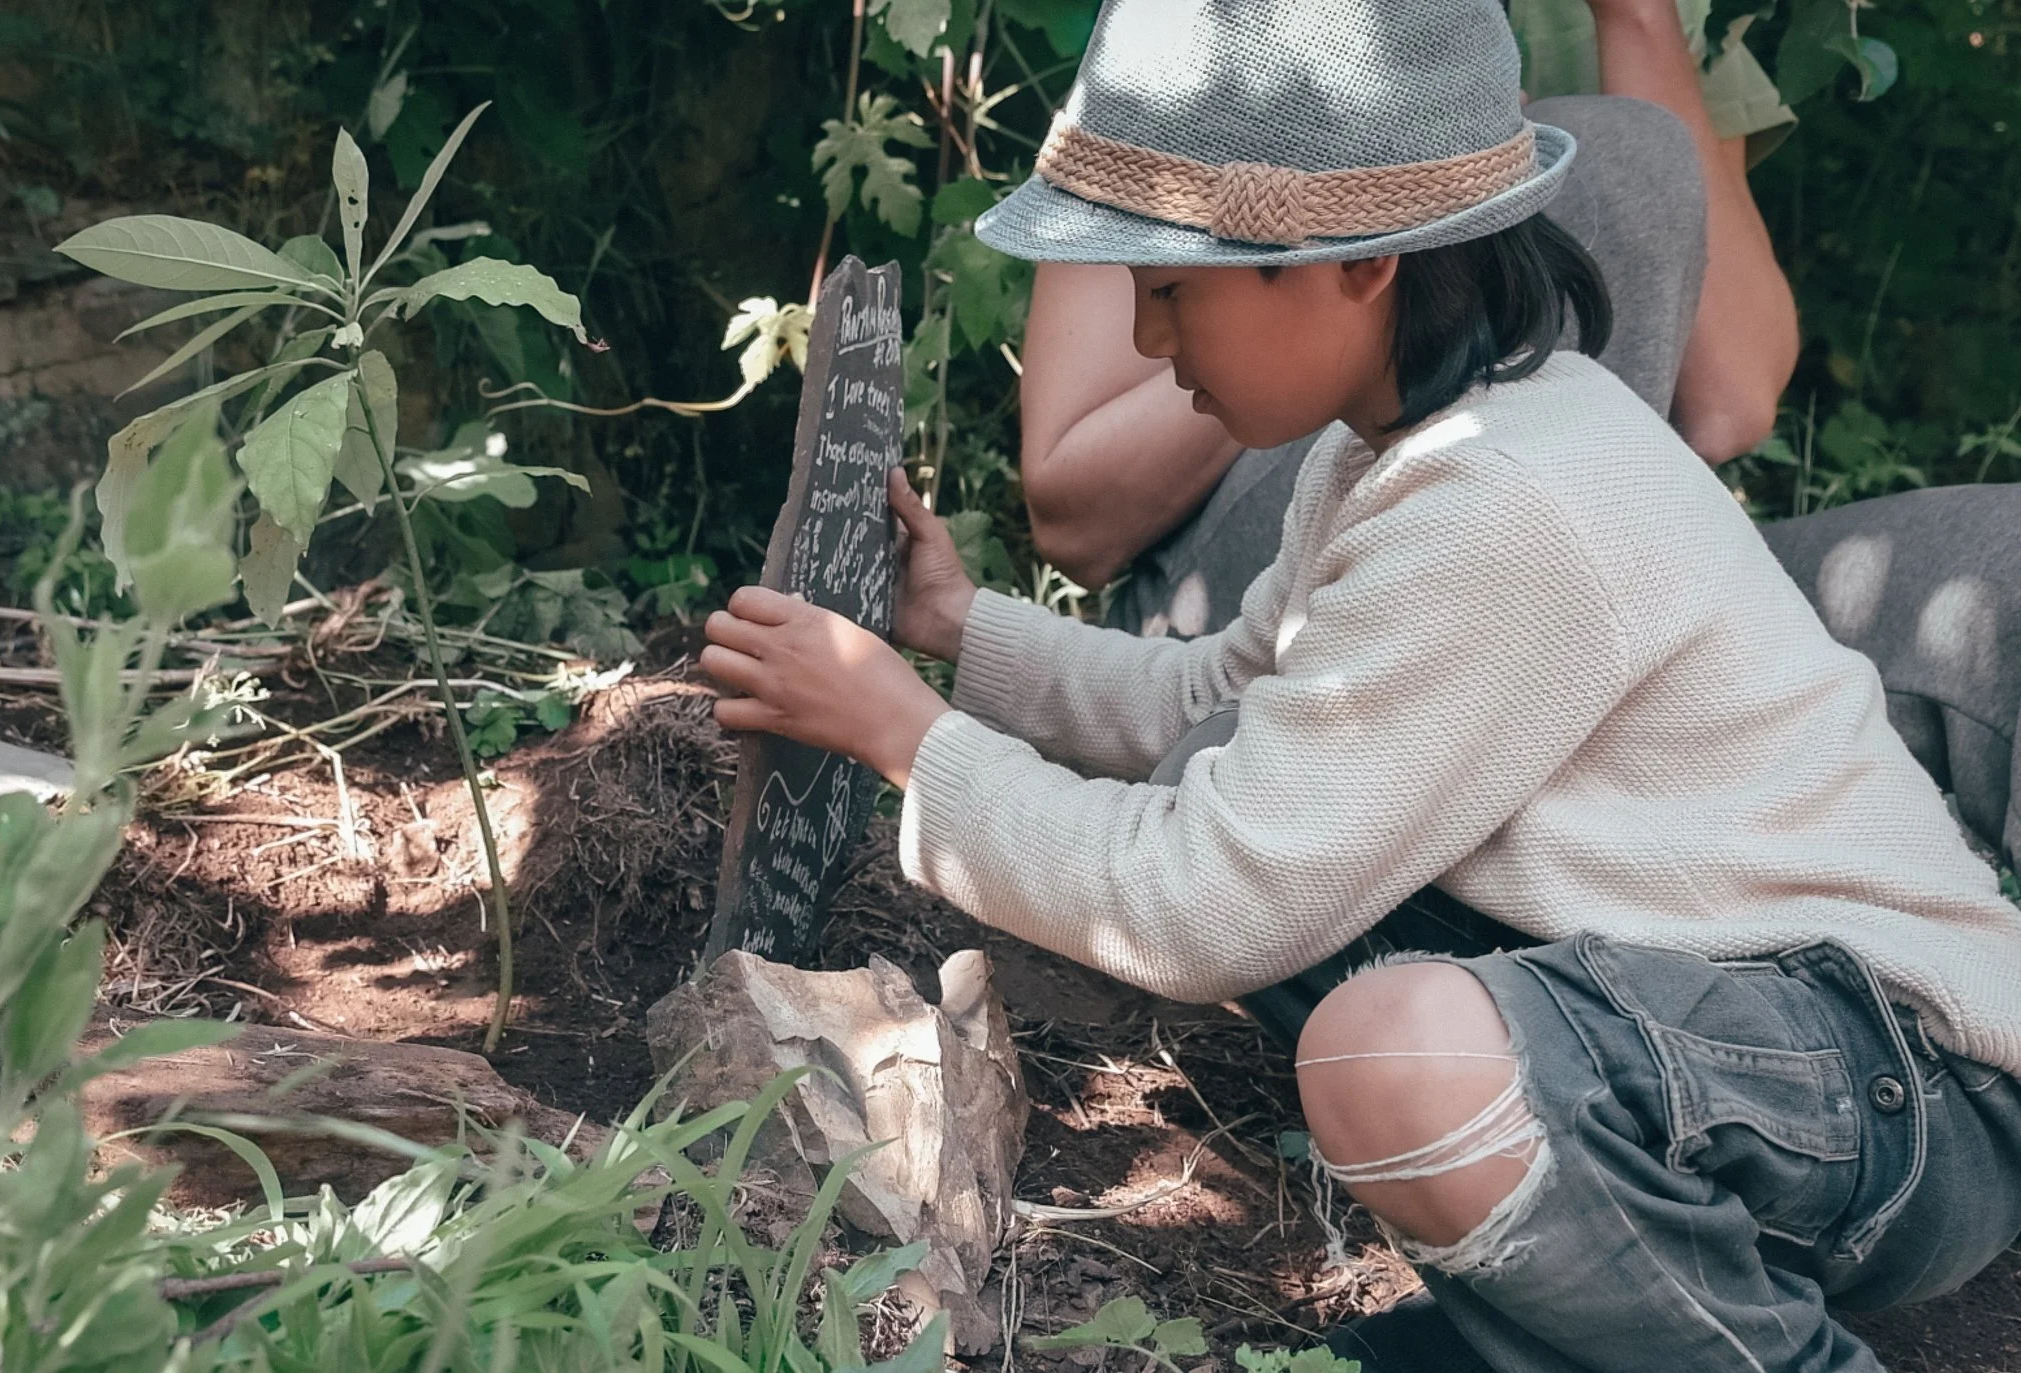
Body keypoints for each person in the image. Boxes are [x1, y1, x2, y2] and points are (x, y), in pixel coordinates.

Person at [698, 2, 2021, 1369]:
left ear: (1364, 261)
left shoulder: (1503, 499)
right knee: (1346, 971)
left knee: (1394, 1054)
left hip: (1891, 1088)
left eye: (1175, 290)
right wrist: (959, 627)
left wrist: (904, 735)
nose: (1152, 343)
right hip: (1729, 1055)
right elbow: (1207, 705)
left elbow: (1198, 903)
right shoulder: (1398, 452)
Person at [1023, 0, 1797, 640]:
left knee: (1625, 152)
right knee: (1597, 161)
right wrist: (1358, 257)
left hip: (1560, 592)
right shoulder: (1219, 25)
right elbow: (1074, 517)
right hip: (1227, 606)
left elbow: (1731, 405)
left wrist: (1636, 18)